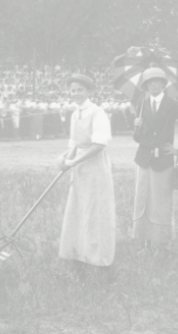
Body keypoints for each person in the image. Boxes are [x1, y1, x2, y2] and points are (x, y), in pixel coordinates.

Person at [131, 67, 178, 248]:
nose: (153, 84)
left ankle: (161, 243)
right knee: (143, 201)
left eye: (157, 81)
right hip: (144, 160)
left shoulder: (172, 105)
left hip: (163, 161)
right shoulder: (142, 105)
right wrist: (136, 127)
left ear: (163, 84)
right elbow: (138, 139)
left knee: (161, 203)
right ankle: (145, 241)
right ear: (146, 86)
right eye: (149, 82)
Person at [57, 74, 116, 273]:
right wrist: (64, 157)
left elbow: (99, 145)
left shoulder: (97, 113)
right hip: (80, 168)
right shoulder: (75, 114)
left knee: (96, 212)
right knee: (79, 209)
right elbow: (74, 144)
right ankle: (79, 254)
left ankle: (99, 259)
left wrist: (74, 161)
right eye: (72, 90)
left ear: (89, 92)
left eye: (79, 90)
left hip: (96, 167)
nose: (75, 94)